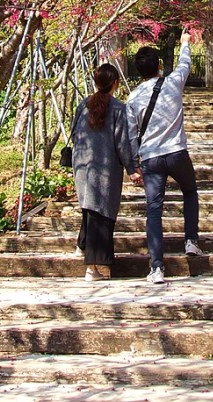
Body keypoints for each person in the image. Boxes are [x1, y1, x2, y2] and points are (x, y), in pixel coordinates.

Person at [126, 29, 204, 284]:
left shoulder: (133, 97)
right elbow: (185, 64)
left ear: (138, 70)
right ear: (159, 65)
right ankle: (191, 241)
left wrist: (133, 165)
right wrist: (185, 43)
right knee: (189, 191)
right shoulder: (172, 83)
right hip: (176, 152)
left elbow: (131, 135)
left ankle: (157, 267)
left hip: (151, 158)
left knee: (153, 210)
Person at [71, 63, 141, 282]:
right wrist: (132, 168)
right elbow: (122, 143)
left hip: (82, 165)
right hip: (105, 169)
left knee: (90, 207)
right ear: (116, 83)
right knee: (100, 214)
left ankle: (81, 246)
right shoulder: (118, 108)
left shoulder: (83, 104)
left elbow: (73, 133)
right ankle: (92, 269)